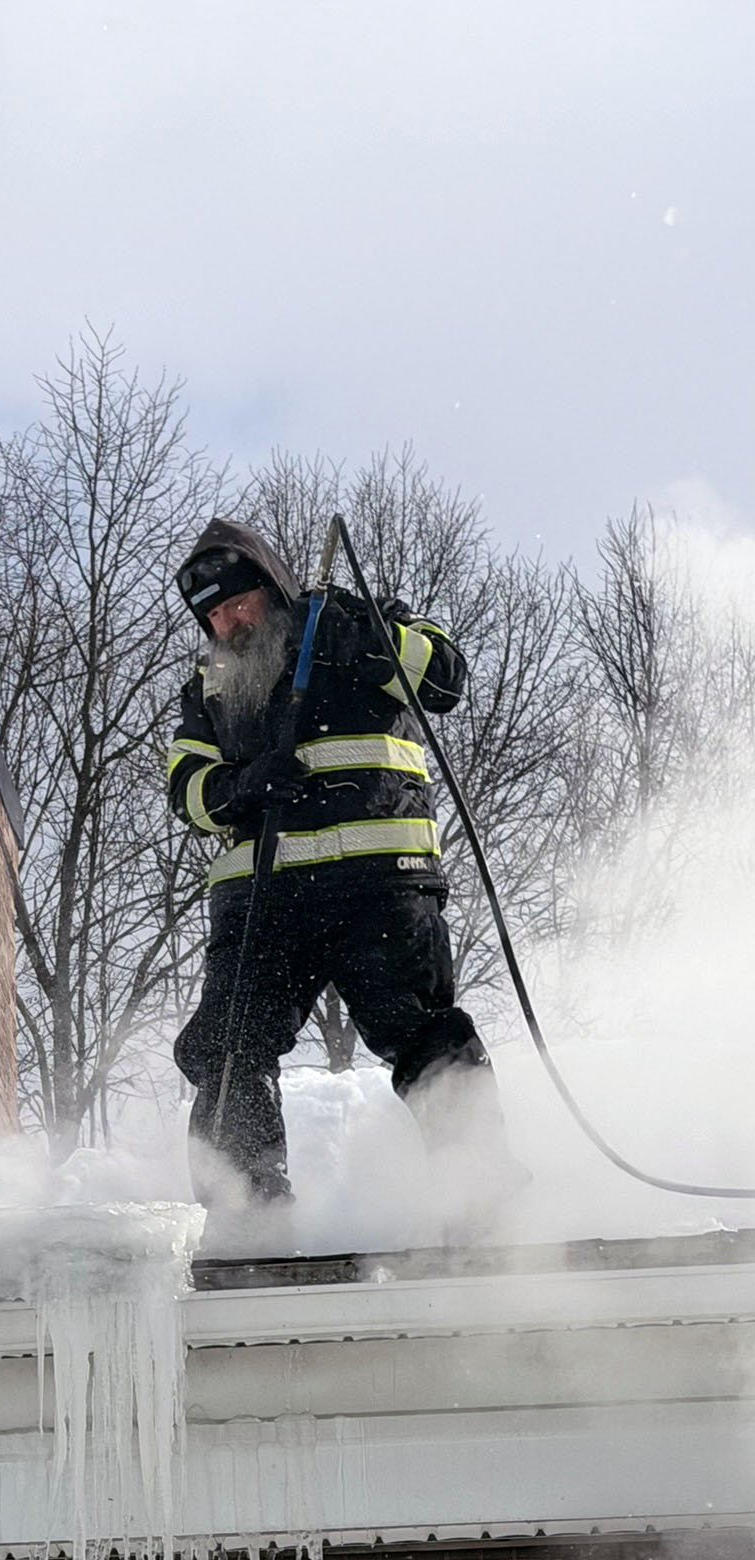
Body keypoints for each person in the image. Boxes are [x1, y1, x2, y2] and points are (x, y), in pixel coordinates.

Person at [167, 517, 521, 1233]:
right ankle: (247, 1220)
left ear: (270, 588)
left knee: (423, 1033)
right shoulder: (206, 690)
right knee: (228, 1045)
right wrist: (244, 787)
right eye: (212, 615)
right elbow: (188, 789)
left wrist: (371, 640)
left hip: (380, 885)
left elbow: (446, 680)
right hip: (264, 899)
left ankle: (481, 1202)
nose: (227, 623)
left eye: (237, 603)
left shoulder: (355, 622)